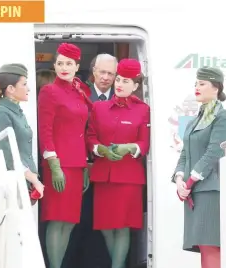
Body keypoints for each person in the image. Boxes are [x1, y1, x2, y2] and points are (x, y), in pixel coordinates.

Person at [86, 58, 151, 268]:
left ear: (136, 86)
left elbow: (144, 143)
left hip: (128, 177)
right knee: (105, 225)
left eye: (126, 81)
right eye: (119, 79)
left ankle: (117, 266)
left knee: (122, 226)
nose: (120, 84)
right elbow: (91, 137)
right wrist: (101, 149)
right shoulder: (98, 108)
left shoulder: (143, 110)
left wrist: (129, 148)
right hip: (104, 175)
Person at [37, 42, 93, 268]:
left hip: (77, 163)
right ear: (55, 65)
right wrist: (53, 163)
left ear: (77, 66)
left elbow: (84, 129)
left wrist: (86, 164)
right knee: (56, 219)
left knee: (70, 221)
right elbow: (45, 129)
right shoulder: (49, 91)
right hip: (58, 164)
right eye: (60, 63)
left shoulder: (79, 91)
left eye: (69, 63)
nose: (64, 68)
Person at [172, 66, 226, 268]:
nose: (197, 87)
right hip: (194, 191)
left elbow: (215, 152)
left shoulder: (223, 116)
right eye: (196, 83)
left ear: (216, 87)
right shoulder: (195, 120)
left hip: (209, 190)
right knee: (203, 246)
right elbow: (185, 152)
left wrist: (190, 181)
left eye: (202, 83)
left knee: (211, 246)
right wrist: (180, 179)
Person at [66, 53, 119, 268]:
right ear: (93, 72)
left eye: (111, 74)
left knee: (107, 223)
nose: (106, 77)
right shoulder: (79, 95)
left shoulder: (121, 96)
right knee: (79, 221)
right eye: (102, 72)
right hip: (82, 166)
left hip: (112, 171)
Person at [0, 63, 44, 200]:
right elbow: (7, 153)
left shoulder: (17, 112)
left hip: (24, 180)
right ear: (11, 89)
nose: (28, 88)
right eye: (24, 84)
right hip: (14, 181)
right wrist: (33, 178)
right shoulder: (1, 114)